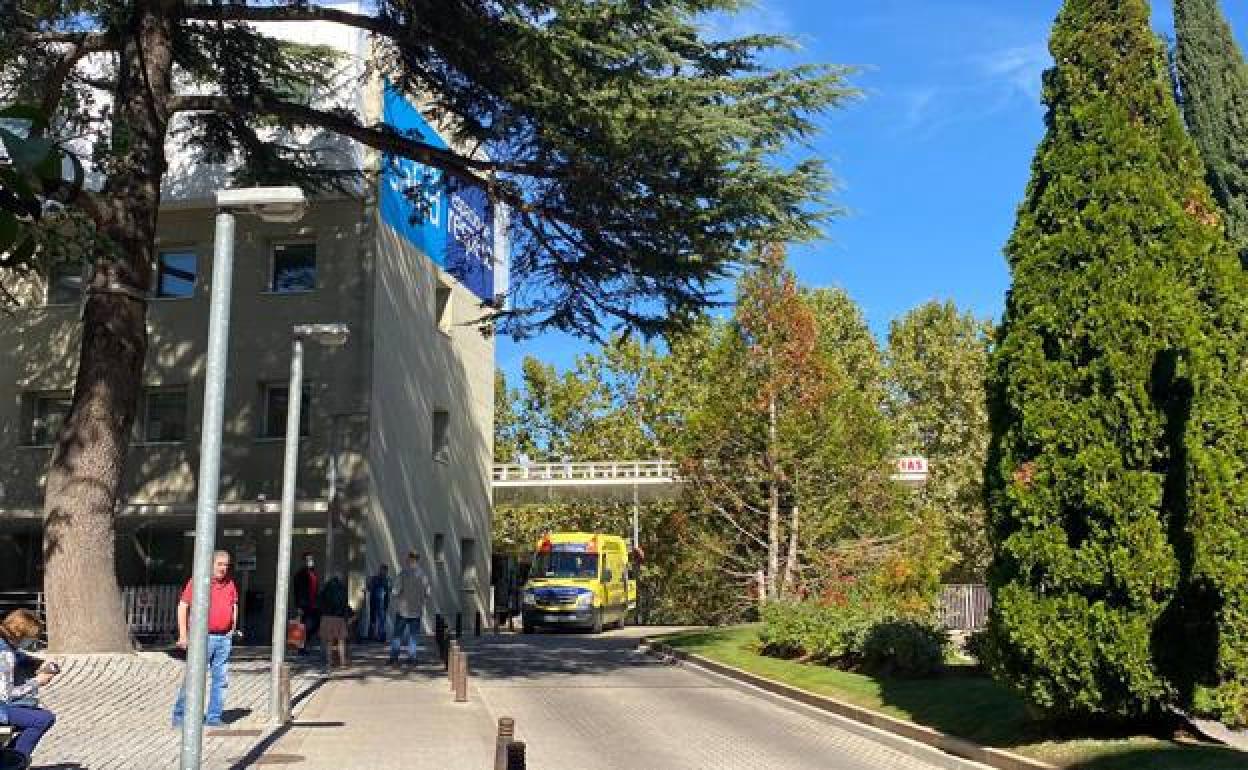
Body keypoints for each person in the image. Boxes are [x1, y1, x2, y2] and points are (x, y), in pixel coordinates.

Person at [172, 550, 239, 728]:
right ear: (211, 564)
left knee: (221, 679)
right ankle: (180, 715)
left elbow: (233, 605)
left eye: (226, 565)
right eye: (220, 564)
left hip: (223, 638)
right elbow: (183, 606)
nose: (223, 568)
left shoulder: (230, 584)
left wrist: (232, 627)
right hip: (203, 637)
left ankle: (214, 717)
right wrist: (183, 635)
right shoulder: (198, 582)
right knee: (194, 677)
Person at [0, 609, 58, 764]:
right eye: (31, 639)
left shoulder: (4, 642)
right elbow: (7, 695)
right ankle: (12, 761)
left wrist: (39, 663)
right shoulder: (5, 654)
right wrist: (37, 681)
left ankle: (10, 756)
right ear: (20, 634)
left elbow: (20, 655)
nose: (32, 643)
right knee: (43, 719)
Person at [389, 551, 430, 665]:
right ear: (418, 559)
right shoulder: (423, 576)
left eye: (408, 558)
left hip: (403, 610)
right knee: (413, 636)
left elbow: (395, 591)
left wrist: (396, 595)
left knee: (397, 635)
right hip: (416, 610)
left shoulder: (403, 574)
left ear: (410, 559)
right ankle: (412, 658)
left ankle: (394, 657)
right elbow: (427, 593)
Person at [318, 575, 352, 669]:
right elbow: (345, 604)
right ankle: (342, 662)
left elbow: (319, 602)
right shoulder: (342, 589)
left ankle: (329, 662)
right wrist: (348, 615)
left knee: (329, 642)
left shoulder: (325, 589)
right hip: (339, 618)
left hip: (327, 617)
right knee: (341, 641)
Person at [293, 552, 321, 657]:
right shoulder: (300, 574)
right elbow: (297, 591)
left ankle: (304, 643)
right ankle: (301, 648)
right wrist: (299, 606)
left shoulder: (313, 573)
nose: (310, 561)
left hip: (314, 604)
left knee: (316, 623)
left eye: (312, 559)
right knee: (303, 625)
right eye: (308, 560)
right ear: (304, 561)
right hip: (304, 604)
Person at [365, 565, 391, 643]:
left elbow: (389, 589)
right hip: (375, 602)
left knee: (380, 620)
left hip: (381, 603)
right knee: (375, 619)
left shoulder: (386, 580)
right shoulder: (376, 579)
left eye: (384, 570)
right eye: (382, 570)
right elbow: (369, 587)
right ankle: (374, 636)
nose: (383, 572)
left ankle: (378, 636)